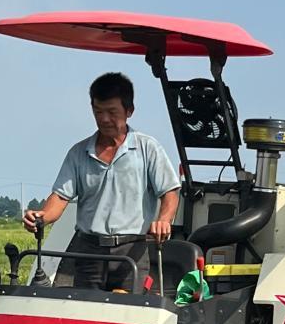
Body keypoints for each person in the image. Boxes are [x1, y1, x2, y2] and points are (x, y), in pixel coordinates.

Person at [22, 72, 180, 293]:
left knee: (129, 311)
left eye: (112, 112)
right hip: (89, 250)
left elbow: (170, 191)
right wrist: (41, 218)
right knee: (86, 309)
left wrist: (164, 220)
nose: (104, 119)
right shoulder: (79, 153)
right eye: (98, 112)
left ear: (129, 111)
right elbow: (60, 196)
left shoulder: (148, 148)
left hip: (132, 250)